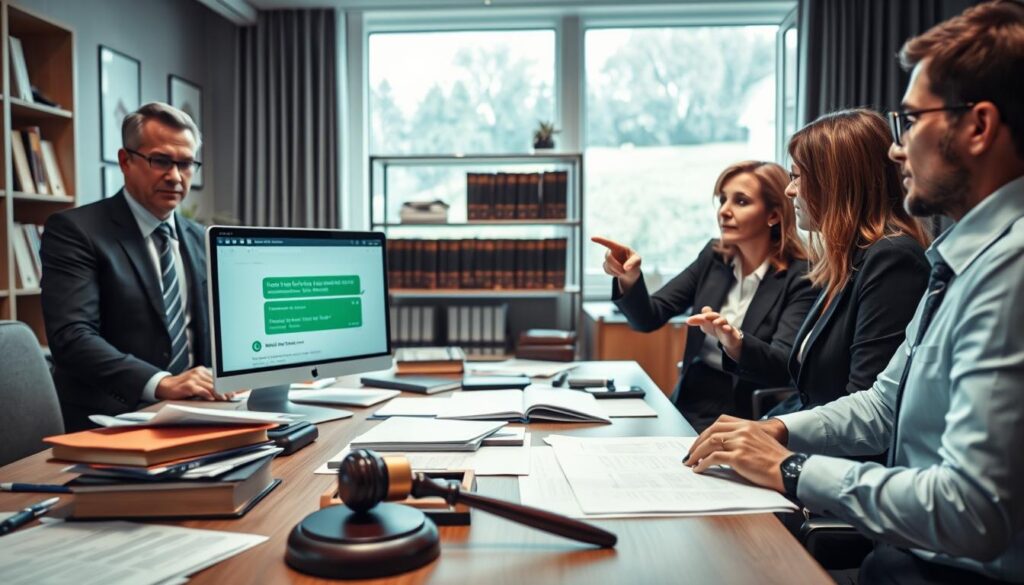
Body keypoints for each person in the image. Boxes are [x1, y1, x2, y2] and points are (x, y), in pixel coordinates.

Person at [685, 2, 1024, 582]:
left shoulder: (1007, 272)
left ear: (978, 126)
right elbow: (881, 403)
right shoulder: (960, 261)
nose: (896, 149)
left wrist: (792, 470)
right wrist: (778, 431)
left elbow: (973, 511)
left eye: (911, 121)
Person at [703, 110, 931, 417]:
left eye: (796, 176)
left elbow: (866, 411)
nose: (789, 190)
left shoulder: (892, 259)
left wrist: (774, 434)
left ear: (835, 182)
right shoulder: (850, 260)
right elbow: (800, 377)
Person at [41, 102, 228, 432]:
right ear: (125, 161)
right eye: (161, 160)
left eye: (185, 164)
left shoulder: (200, 238)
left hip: (196, 414)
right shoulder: (75, 231)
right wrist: (161, 383)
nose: (174, 176)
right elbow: (72, 337)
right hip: (107, 421)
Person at [594, 161, 816, 431]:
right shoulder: (713, 257)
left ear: (773, 215)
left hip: (748, 409)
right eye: (723, 200)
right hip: (691, 395)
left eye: (741, 201)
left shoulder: (801, 276)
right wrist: (628, 277)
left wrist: (735, 342)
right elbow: (649, 318)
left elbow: (783, 365)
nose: (724, 211)